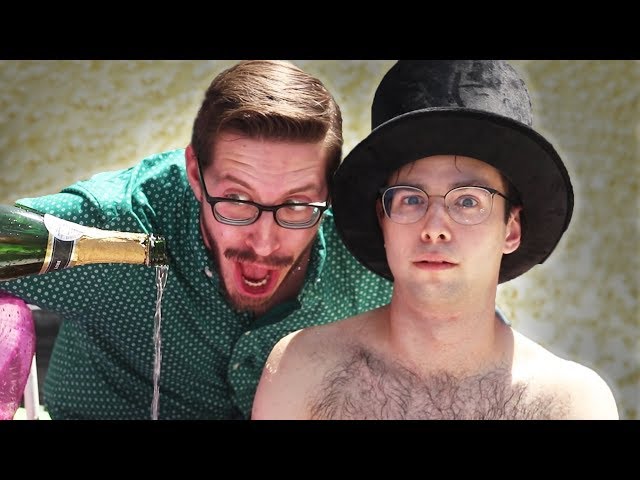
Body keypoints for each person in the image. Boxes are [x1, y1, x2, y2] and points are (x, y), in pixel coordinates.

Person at [0, 60, 394, 419]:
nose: (263, 243)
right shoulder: (118, 224)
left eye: (296, 204)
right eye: (237, 199)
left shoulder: (370, 248)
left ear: (330, 189)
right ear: (195, 175)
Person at [252, 60, 620, 420]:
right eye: (411, 199)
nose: (434, 228)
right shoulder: (303, 370)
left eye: (468, 201)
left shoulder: (569, 403)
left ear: (511, 230)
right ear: (382, 220)